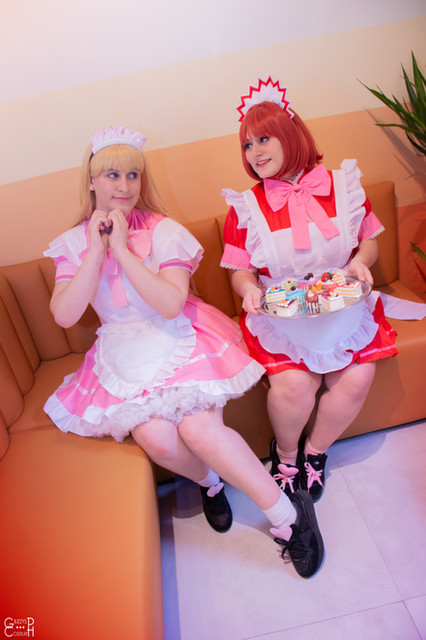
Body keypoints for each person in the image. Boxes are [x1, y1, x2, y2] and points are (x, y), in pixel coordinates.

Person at [43, 123, 324, 578]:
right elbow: (64, 314)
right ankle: (210, 484)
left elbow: (171, 304)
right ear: (91, 181)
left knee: (199, 430)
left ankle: (289, 518)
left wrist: (123, 251)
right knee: (156, 439)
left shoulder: (163, 231)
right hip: (122, 351)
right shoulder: (73, 243)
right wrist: (96, 252)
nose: (124, 186)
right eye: (112, 175)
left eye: (133, 175)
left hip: (178, 334)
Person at [221, 78, 398, 502]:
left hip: (341, 304)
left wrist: (360, 262)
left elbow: (368, 241)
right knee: (294, 387)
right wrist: (246, 289)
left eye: (264, 139)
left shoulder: (344, 186)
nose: (255, 151)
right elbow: (240, 270)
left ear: (290, 134)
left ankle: (316, 452)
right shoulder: (245, 208)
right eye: (247, 144)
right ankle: (285, 456)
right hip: (284, 314)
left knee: (357, 377)